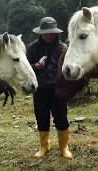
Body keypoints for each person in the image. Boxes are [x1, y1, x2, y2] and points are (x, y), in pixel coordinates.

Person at [27, 17, 73, 159]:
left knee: (61, 118)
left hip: (58, 90)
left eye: (52, 32)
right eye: (46, 33)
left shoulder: (63, 48)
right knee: (41, 118)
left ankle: (64, 147)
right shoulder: (32, 48)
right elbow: (25, 68)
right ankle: (44, 146)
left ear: (56, 32)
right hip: (40, 90)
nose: (49, 35)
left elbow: (68, 69)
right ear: (41, 33)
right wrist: (35, 66)